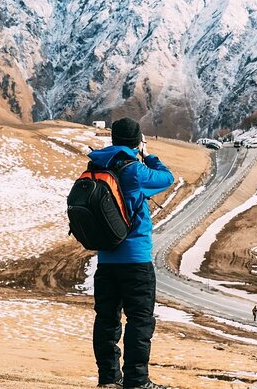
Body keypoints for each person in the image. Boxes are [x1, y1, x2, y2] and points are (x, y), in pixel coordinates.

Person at [91, 117, 174, 389]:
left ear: (113, 139)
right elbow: (167, 177)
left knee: (106, 320)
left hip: (106, 258)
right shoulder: (135, 170)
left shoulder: (97, 165)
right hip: (135, 259)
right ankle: (137, 381)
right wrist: (149, 155)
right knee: (139, 320)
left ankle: (108, 378)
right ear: (137, 141)